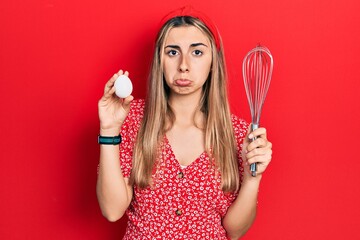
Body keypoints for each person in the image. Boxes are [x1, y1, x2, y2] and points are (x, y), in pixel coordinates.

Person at [97, 6, 272, 240]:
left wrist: (253, 179)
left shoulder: (238, 134)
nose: (184, 65)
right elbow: (112, 210)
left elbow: (235, 230)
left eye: (197, 52)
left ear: (213, 62)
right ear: (160, 60)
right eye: (172, 52)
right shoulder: (133, 119)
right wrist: (109, 130)